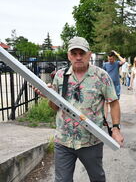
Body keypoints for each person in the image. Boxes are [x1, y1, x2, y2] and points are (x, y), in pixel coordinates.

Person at [34, 37, 124, 182]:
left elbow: (113, 103)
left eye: (82, 53)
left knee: (97, 178)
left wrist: (116, 129)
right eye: (74, 53)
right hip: (63, 141)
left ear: (89, 54)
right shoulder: (60, 76)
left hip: (91, 141)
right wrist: (49, 96)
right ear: (69, 55)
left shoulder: (101, 76)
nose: (78, 57)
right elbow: (55, 107)